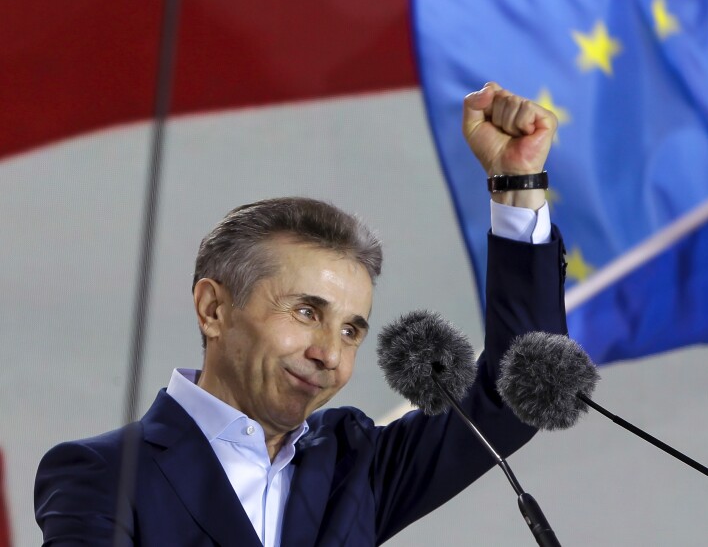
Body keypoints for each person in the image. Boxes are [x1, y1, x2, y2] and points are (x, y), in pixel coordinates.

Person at [35, 83, 569, 546]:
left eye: (350, 330)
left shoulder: (352, 466)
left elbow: (520, 392)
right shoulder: (102, 474)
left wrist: (516, 182)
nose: (329, 354)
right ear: (213, 308)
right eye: (306, 312)